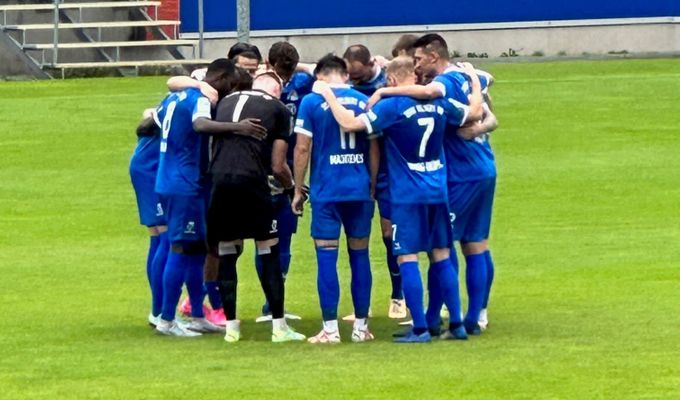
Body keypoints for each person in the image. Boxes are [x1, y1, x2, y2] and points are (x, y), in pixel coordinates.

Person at [313, 56, 482, 342]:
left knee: (407, 256)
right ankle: (456, 324)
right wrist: (475, 83)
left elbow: (350, 123)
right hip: (438, 189)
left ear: (391, 80)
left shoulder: (391, 107)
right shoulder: (440, 102)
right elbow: (475, 112)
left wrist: (327, 93)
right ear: (414, 77)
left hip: (407, 194)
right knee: (441, 253)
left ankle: (419, 328)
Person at [368, 34, 497, 334]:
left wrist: (384, 94)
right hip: (484, 165)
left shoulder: (445, 83)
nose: (416, 67)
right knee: (476, 243)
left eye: (418, 60)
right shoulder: (469, 75)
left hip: (459, 173)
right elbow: (490, 113)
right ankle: (477, 315)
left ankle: (435, 318)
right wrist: (483, 122)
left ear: (434, 57)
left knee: (442, 247)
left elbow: (429, 93)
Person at [153, 58, 266, 337]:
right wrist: (239, 127)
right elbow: (201, 125)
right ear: (224, 80)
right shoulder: (200, 97)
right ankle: (166, 321)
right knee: (181, 248)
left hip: (173, 178)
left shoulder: (174, 97)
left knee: (198, 249)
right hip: (185, 184)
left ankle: (197, 315)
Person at [208, 70, 306, 343]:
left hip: (219, 181)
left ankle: (231, 329)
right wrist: (292, 189)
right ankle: (278, 326)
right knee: (268, 248)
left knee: (228, 251)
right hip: (251, 181)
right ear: (277, 91)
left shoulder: (225, 101)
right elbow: (278, 165)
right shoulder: (278, 109)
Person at [291, 54, 376, 344]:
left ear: (320, 77)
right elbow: (375, 147)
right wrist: (373, 183)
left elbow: (302, 148)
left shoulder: (311, 102)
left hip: (327, 190)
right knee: (360, 255)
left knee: (326, 257)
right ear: (345, 75)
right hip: (360, 189)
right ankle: (361, 328)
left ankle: (330, 330)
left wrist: (297, 188)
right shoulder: (363, 100)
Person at [342, 44, 406, 320]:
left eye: (356, 75)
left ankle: (398, 296)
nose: (353, 81)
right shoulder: (347, 83)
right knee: (358, 238)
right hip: (360, 169)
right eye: (349, 76)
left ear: (371, 65)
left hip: (391, 171)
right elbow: (314, 69)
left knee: (390, 235)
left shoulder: (390, 83)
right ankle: (362, 306)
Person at [254, 42, 313, 322]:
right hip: (283, 170)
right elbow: (322, 72)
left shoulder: (257, 84)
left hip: (270, 170)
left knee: (269, 239)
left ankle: (271, 304)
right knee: (279, 238)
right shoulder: (303, 83)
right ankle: (270, 303)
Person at [130, 108, 168, 327]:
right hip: (151, 170)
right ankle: (159, 311)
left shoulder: (168, 103)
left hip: (148, 167)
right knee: (164, 236)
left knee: (158, 236)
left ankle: (161, 308)